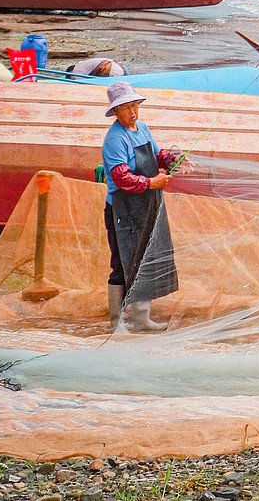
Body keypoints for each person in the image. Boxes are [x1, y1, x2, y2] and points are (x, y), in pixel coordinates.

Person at [101, 81, 180, 332]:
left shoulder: (142, 128)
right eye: (125, 107)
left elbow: (157, 156)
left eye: (135, 105)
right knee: (122, 263)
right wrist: (153, 182)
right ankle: (117, 324)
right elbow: (121, 178)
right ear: (115, 111)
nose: (132, 112)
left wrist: (173, 160)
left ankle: (141, 318)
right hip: (121, 211)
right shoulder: (115, 140)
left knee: (146, 259)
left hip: (145, 207)